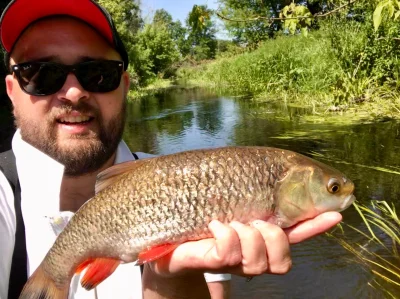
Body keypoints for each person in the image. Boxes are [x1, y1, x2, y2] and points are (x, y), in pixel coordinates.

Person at [0, 0, 343, 298]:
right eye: (41, 73)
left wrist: (172, 276)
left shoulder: (185, 183)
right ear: (12, 90)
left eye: (97, 73)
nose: (73, 92)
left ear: (125, 85)